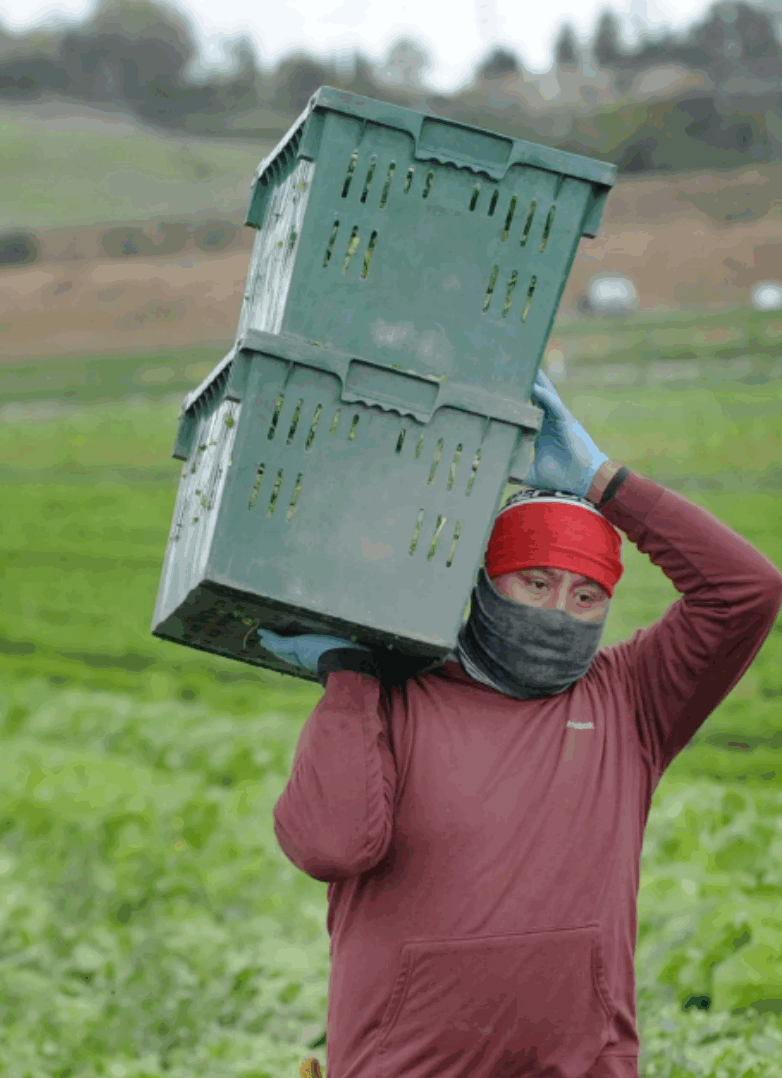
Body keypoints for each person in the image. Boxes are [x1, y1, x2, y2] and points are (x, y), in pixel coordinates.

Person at [259, 373, 782, 1078]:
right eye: (535, 583)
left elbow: (746, 592)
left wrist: (605, 483)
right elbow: (330, 844)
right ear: (485, 582)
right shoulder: (400, 695)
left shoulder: (631, 700)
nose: (558, 611)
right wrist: (348, 676)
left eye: (586, 594)